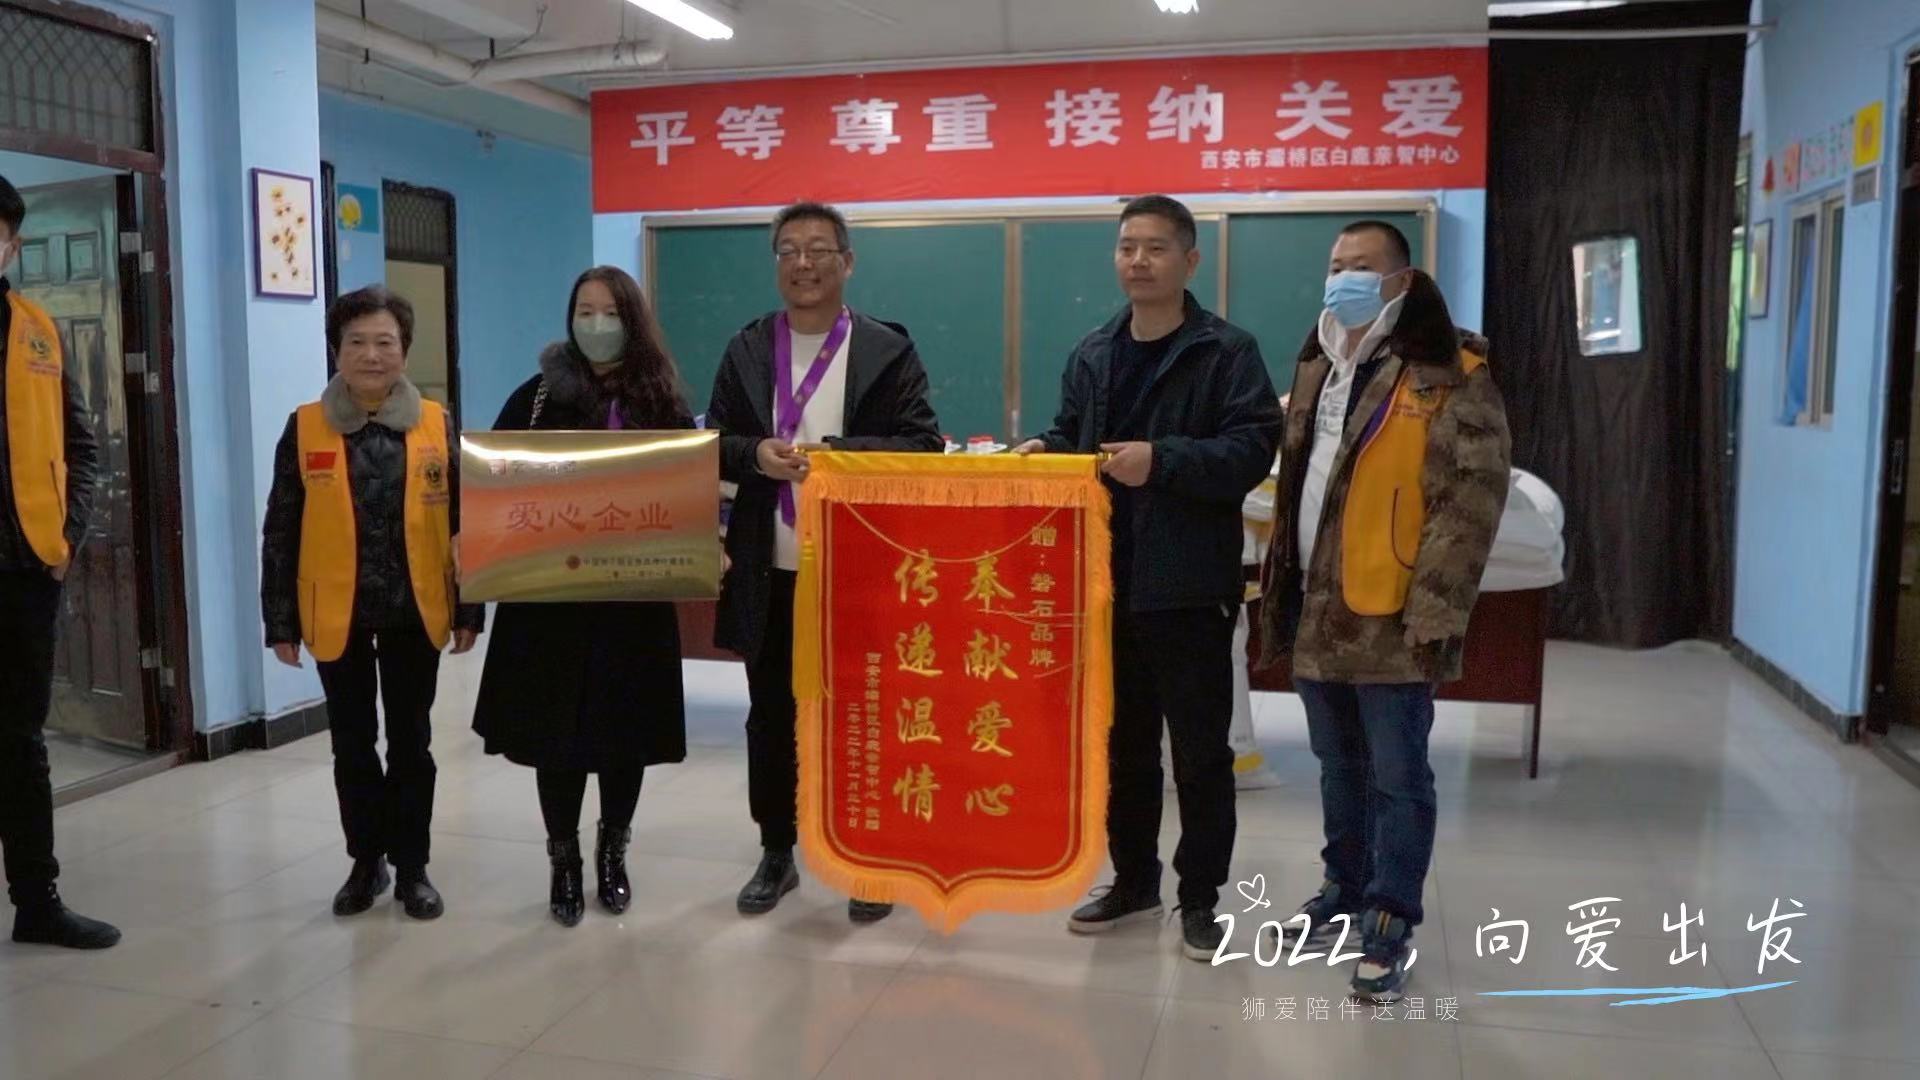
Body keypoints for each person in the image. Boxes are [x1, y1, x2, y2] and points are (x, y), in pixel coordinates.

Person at [1016, 194, 1282, 961]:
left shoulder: (1225, 352)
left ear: (1190, 261)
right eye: (1128, 246)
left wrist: (1160, 461)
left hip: (1188, 585)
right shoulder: (1094, 351)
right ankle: (1134, 880)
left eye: (1156, 247)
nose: (1139, 260)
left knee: (1199, 754)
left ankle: (1201, 899)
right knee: (1122, 748)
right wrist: (1047, 449)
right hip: (1106, 584)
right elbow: (1077, 436)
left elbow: (1250, 450)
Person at [1256, 221, 1510, 1004]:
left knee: (1398, 772)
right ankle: (1343, 890)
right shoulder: (1319, 357)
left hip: (1394, 608)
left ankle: (1391, 917)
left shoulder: (1448, 368)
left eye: (1361, 266)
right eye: (1335, 265)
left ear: (1401, 280)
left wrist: (1435, 614)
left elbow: (1470, 499)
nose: (1343, 279)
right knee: (1338, 764)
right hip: (1317, 602)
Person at [708, 201, 942, 924]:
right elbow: (714, 443)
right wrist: (756, 454)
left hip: (858, 571)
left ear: (847, 261)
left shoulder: (885, 350)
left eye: (817, 249)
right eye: (788, 250)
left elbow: (923, 445)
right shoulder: (748, 348)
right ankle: (777, 850)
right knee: (771, 716)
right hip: (769, 567)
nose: (803, 263)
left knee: (861, 715)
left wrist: (838, 456)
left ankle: (869, 857)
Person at [471, 267, 693, 928]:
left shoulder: (660, 400)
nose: (596, 325)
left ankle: (612, 851)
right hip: (551, 603)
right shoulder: (537, 396)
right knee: (557, 736)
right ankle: (563, 858)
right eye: (584, 311)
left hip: (633, 602)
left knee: (626, 734)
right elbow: (492, 486)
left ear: (633, 319)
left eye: (610, 312)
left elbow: (690, 489)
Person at [262, 285, 482, 921]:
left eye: (385, 342)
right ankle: (366, 862)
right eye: (356, 342)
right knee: (352, 744)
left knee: (412, 743)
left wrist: (469, 607)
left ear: (404, 351)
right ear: (336, 350)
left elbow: (468, 523)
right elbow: (281, 529)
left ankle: (413, 867)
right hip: (338, 613)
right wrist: (280, 620)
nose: (371, 355)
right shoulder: (306, 426)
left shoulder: (437, 424)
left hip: (416, 607)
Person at [0, 174, 118, 950]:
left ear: (11, 247)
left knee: (20, 742)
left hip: (22, 573)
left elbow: (83, 445)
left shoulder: (37, 329)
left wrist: (65, 540)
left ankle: (37, 902)